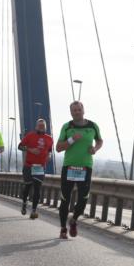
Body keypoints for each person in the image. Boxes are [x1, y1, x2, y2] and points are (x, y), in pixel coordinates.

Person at [55, 101, 103, 238]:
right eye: (74, 110)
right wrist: (71, 140)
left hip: (85, 167)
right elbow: (58, 148)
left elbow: (100, 141)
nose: (76, 112)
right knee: (65, 199)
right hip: (69, 166)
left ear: (83, 110)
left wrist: (95, 149)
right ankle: (63, 229)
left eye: (79, 110)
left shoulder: (93, 126)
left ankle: (74, 219)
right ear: (71, 112)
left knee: (83, 198)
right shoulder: (67, 126)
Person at [18, 118, 54, 219]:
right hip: (29, 166)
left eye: (43, 126)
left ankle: (34, 210)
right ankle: (24, 203)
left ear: (46, 127)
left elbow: (50, 150)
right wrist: (30, 150)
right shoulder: (30, 135)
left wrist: (49, 155)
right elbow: (20, 146)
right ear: (36, 127)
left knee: (37, 189)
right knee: (27, 187)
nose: (41, 127)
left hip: (40, 167)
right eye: (39, 126)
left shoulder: (49, 139)